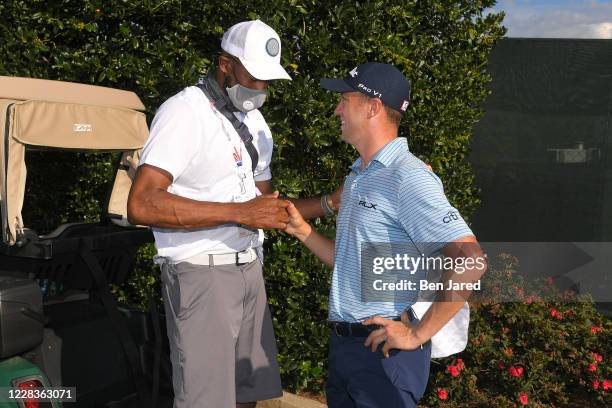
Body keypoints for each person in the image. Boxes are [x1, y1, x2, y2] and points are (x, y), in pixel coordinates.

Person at [127, 20, 338, 408]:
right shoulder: (184, 112)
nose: (261, 89)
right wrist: (240, 213)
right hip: (200, 272)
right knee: (206, 400)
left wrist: (329, 203)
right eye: (255, 77)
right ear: (225, 63)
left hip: (249, 268)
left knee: (248, 392)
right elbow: (141, 204)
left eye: (268, 80)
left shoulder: (255, 123)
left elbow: (268, 207)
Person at [284, 62, 486, 408]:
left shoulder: (407, 176)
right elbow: (349, 262)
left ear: (373, 107)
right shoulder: (358, 176)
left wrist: (418, 334)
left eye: (344, 100)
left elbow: (471, 261)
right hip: (348, 349)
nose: (336, 110)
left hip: (384, 354)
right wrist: (302, 230)